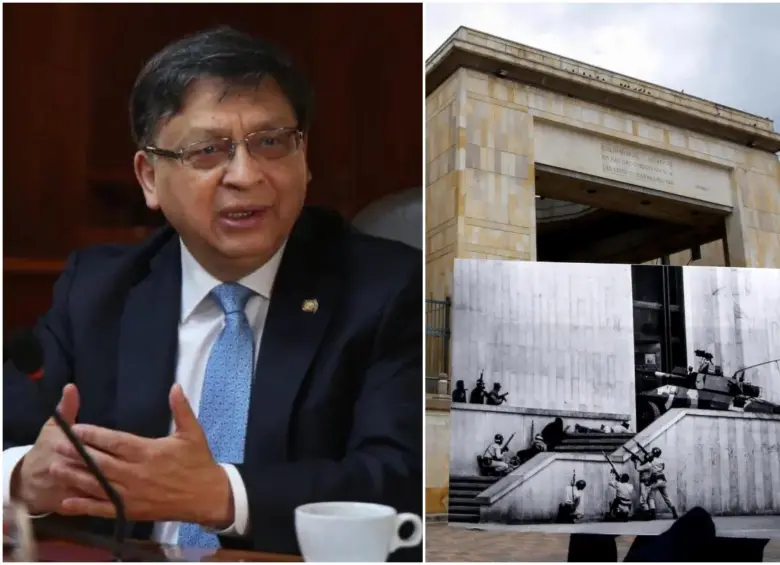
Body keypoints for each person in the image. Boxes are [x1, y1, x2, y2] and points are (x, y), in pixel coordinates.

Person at [2, 27, 422, 559]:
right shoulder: (99, 288)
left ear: (305, 155)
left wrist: (223, 495)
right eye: (208, 150)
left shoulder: (386, 288)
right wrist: (24, 477)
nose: (246, 175)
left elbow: (400, 479)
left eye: (271, 142)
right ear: (149, 177)